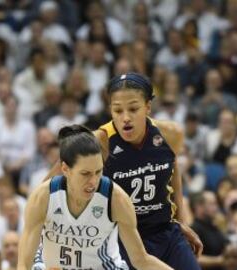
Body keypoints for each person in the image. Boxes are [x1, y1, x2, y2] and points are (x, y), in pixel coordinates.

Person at [46, 72, 202, 270]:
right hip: (122, 239)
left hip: (167, 233)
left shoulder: (171, 134)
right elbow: (48, 186)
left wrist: (181, 221)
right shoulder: (99, 142)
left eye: (134, 109)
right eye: (118, 110)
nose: (125, 118)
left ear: (148, 107)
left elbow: (173, 168)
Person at [18, 125, 173, 270]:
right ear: (65, 169)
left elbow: (141, 259)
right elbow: (24, 263)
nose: (93, 181)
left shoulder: (116, 199)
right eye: (85, 174)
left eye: (98, 172)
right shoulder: (43, 197)